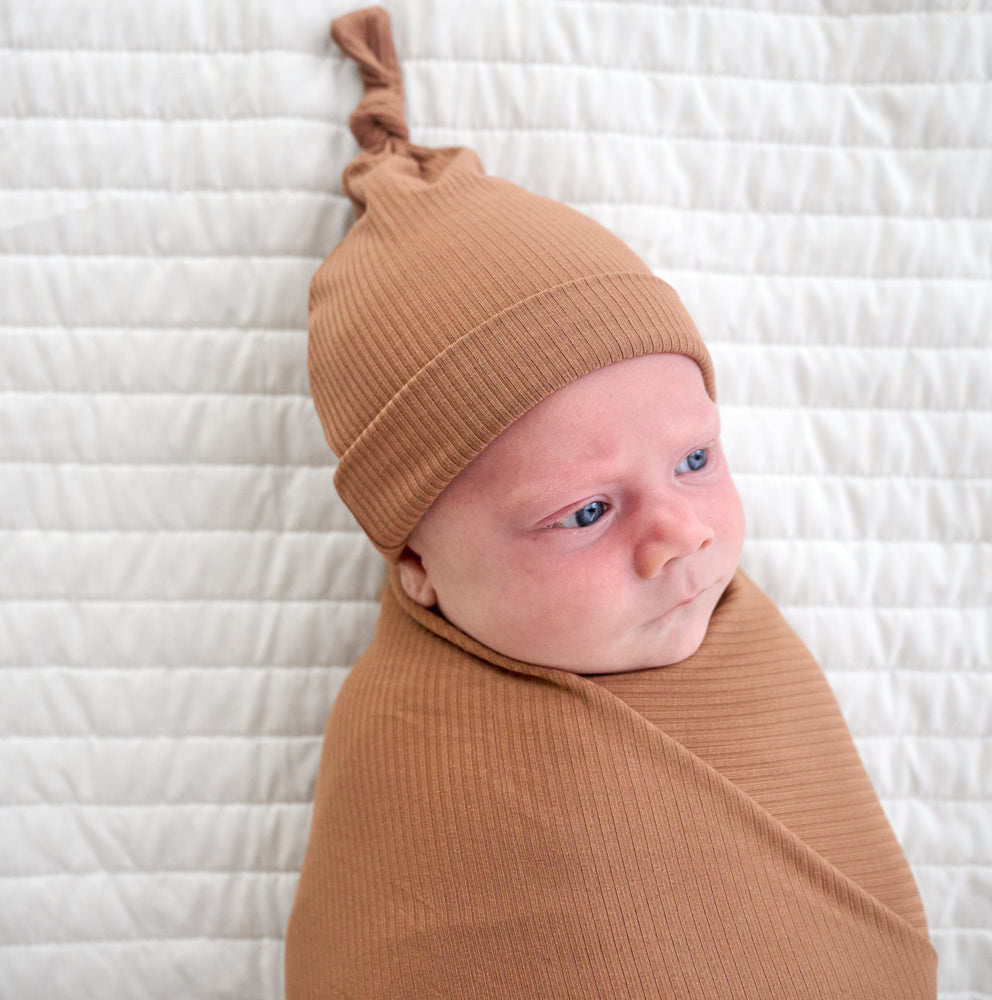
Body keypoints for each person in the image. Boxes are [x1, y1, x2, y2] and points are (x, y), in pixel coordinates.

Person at [285, 7, 937, 998]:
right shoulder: (414, 767)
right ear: (415, 562)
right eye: (585, 513)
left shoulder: (754, 654)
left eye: (693, 458)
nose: (679, 534)